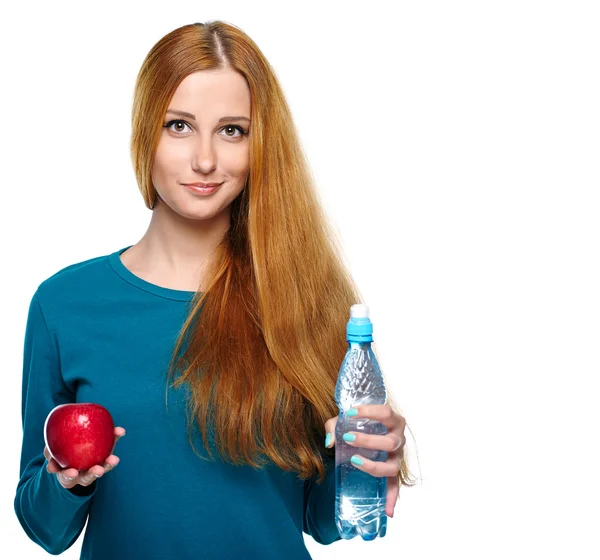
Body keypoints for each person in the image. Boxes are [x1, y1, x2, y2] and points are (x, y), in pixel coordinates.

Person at [14, 21, 414, 559]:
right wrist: (69, 481)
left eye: (232, 131)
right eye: (179, 125)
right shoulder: (64, 306)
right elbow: (45, 529)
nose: (205, 160)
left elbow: (320, 520)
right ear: (144, 133)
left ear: (259, 145)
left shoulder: (302, 296)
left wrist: (363, 466)